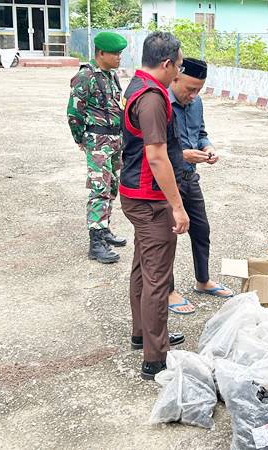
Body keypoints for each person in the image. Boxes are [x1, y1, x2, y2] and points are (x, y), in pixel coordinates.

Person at [120, 31, 189, 380]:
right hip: (149, 198)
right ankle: (155, 357)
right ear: (166, 63)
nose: (178, 73)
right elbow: (157, 156)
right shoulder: (151, 98)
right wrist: (177, 206)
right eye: (178, 67)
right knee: (157, 277)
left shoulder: (136, 86)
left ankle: (143, 334)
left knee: (142, 267)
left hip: (135, 193)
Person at [166, 57, 234, 316]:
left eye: (198, 90)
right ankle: (168, 290)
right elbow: (153, 148)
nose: (193, 95)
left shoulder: (196, 103)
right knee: (167, 237)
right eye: (190, 89)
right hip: (166, 181)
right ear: (175, 78)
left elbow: (201, 133)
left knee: (201, 229)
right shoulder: (160, 103)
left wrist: (208, 147)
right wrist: (182, 154)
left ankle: (202, 280)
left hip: (189, 178)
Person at [67, 31, 129, 263]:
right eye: (115, 53)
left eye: (120, 53)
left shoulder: (111, 75)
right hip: (98, 140)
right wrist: (80, 139)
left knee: (111, 186)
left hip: (114, 140)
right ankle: (95, 243)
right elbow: (74, 112)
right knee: (99, 189)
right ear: (101, 53)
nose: (119, 57)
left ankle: (104, 229)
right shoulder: (86, 76)